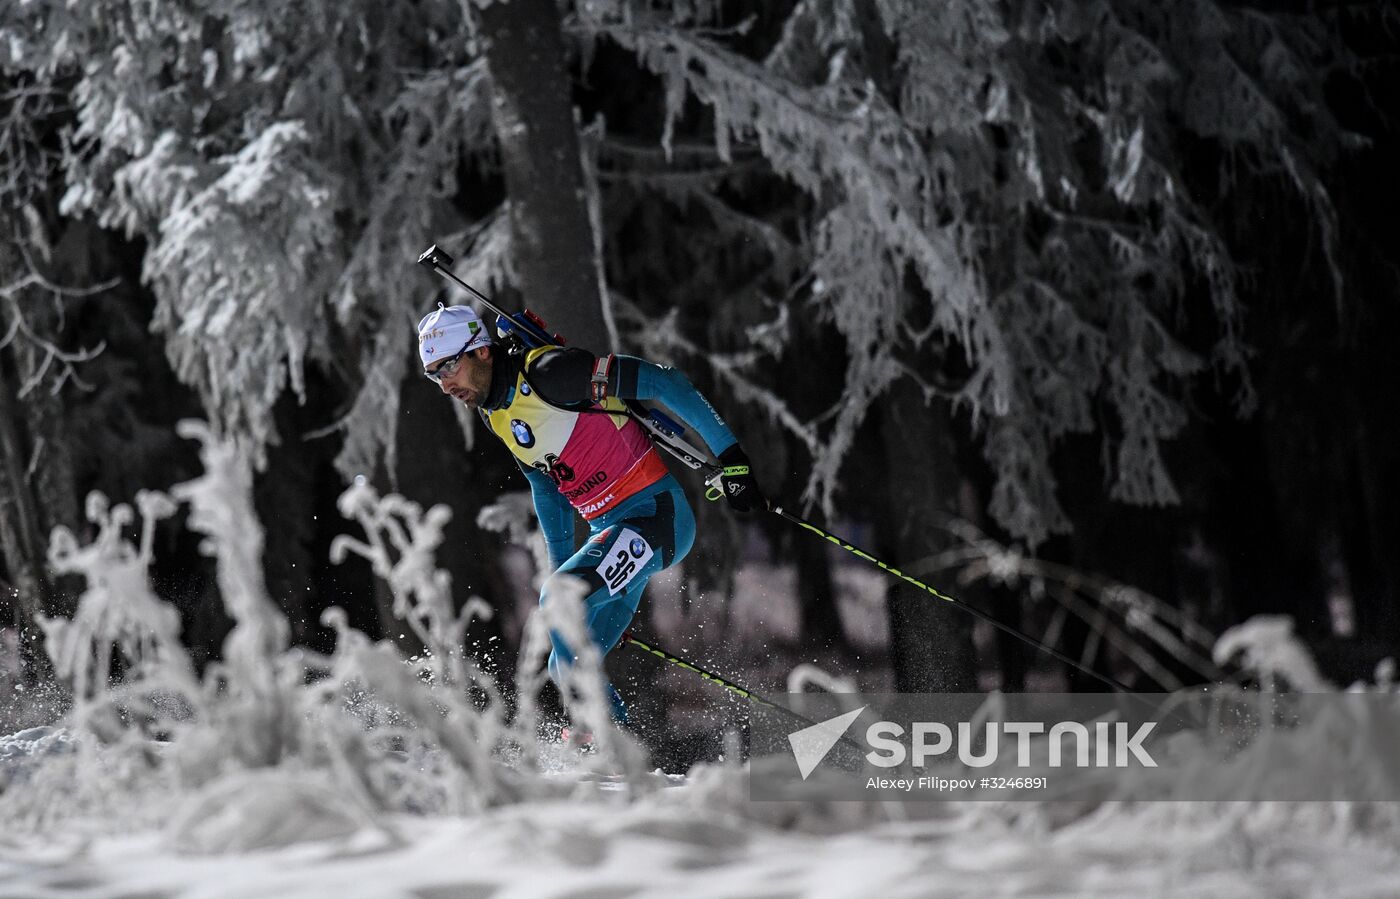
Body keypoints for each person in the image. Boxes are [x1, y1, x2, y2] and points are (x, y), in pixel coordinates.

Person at [416, 303, 763, 723]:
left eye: (449, 366)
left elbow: (665, 383)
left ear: (482, 351)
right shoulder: (496, 413)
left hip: (655, 516)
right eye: (433, 374)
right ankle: (619, 770)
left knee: (562, 605)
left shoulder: (550, 372)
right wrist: (572, 579)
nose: (444, 384)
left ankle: (608, 745)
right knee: (562, 667)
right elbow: (546, 487)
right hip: (612, 533)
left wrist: (732, 457)